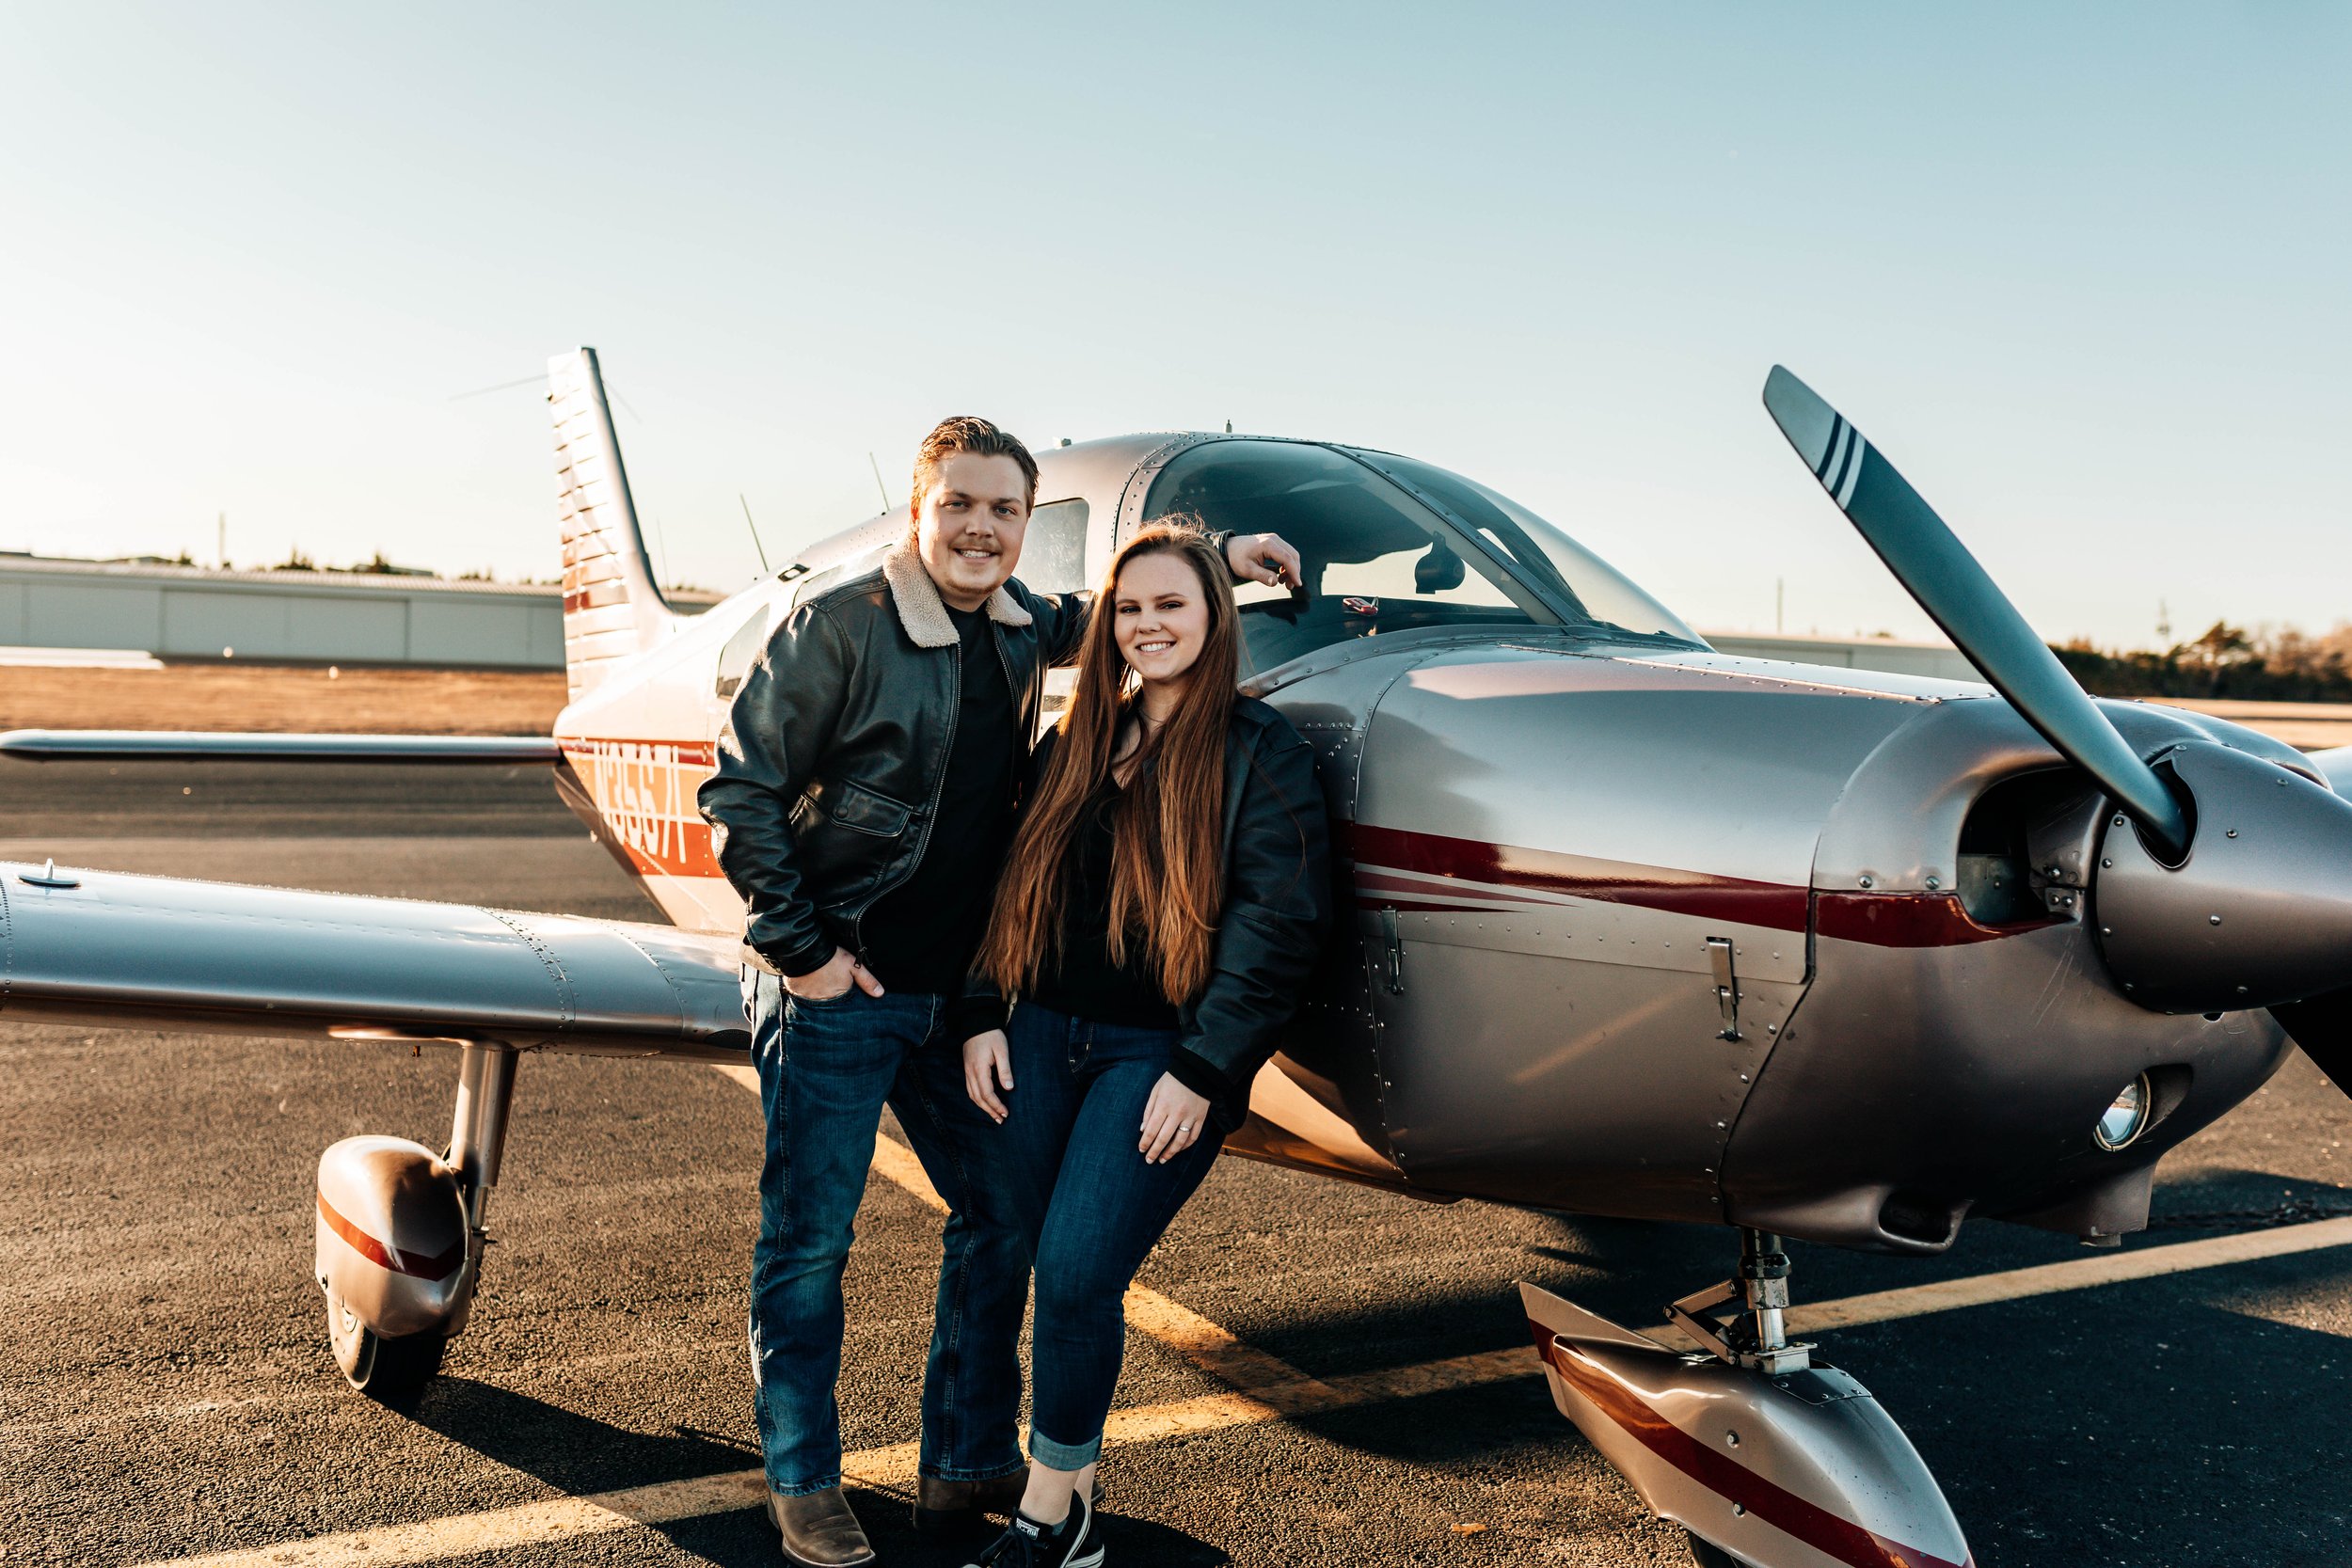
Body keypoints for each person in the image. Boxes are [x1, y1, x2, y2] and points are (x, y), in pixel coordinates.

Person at [699, 420, 1300, 1567]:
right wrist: (804, 950)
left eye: (1004, 511)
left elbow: (1125, 609)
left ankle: (966, 1456)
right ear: (917, 512)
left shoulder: (1020, 623)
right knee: (810, 1242)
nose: (981, 528)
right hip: (847, 980)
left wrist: (1220, 557)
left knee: (1001, 1218)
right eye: (959, 504)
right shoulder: (840, 623)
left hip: (962, 997)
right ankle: (803, 1477)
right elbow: (740, 787)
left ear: (1025, 526)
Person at [956, 522, 1332, 1568]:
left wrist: (1205, 1068)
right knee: (1042, 1261)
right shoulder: (1076, 739)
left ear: (1213, 615)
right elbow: (1009, 887)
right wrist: (984, 1011)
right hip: (1035, 1031)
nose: (1147, 624)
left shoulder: (1262, 752)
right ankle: (1066, 1502)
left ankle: (1046, 1519)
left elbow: (1278, 926)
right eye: (1129, 608)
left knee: (1078, 1274)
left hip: (1155, 1056)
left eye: (1170, 604)